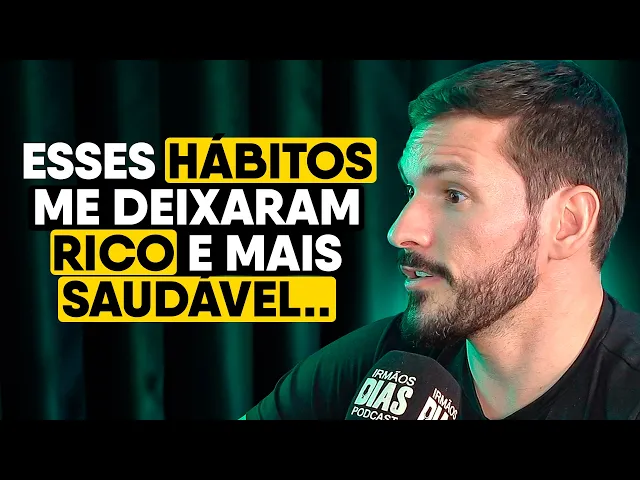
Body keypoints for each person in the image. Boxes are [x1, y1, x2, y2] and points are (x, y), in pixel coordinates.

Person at [242, 60, 640, 420]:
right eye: (411, 190)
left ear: (568, 223)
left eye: (454, 195)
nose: (399, 232)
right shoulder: (378, 367)